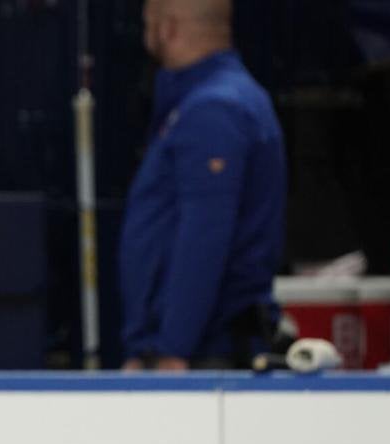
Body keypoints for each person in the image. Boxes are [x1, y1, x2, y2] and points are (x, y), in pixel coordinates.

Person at [120, 0, 286, 371]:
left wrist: (173, 348)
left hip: (205, 357)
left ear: (167, 29)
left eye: (147, 24)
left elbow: (204, 236)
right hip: (197, 349)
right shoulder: (203, 103)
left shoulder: (214, 110)